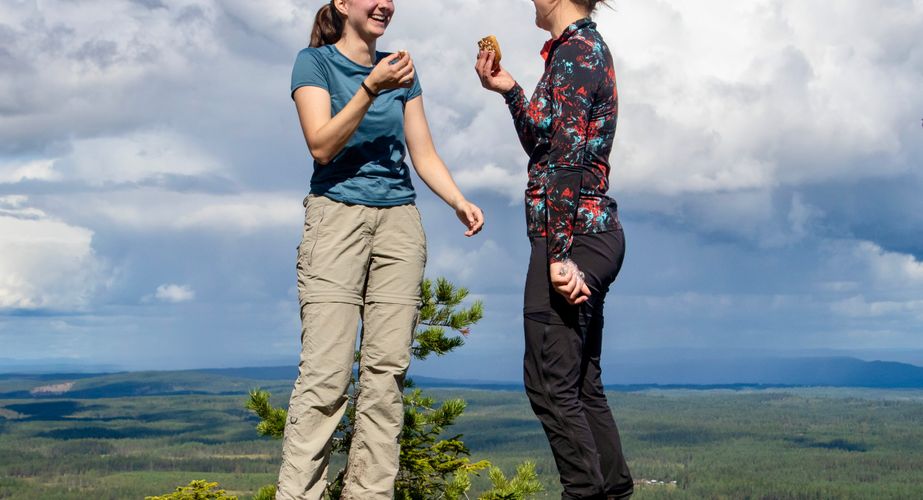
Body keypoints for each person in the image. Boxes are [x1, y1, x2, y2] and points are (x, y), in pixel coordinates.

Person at [277, 1, 484, 498]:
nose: (385, 4)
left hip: (399, 223)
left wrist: (457, 200)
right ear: (342, 3)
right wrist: (370, 88)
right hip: (336, 218)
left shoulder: (401, 68)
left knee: (385, 377)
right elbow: (321, 145)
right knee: (325, 376)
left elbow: (423, 152)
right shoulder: (315, 63)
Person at [475, 0, 632, 498]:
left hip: (573, 234)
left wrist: (559, 254)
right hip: (587, 231)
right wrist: (510, 90)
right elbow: (546, 144)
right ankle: (612, 491)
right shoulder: (577, 50)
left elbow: (566, 160)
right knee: (580, 382)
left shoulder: (576, 53)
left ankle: (585, 492)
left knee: (547, 381)